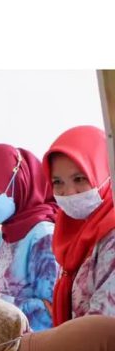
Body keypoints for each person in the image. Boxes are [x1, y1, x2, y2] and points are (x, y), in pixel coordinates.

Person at [0, 144, 58, 331]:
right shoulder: (1, 239)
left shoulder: (43, 236)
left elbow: (52, 311)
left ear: (18, 181)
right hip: (2, 344)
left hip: (35, 346)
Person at [42, 125, 115, 323]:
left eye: (79, 179)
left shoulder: (111, 236)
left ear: (106, 173)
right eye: (58, 182)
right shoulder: (71, 234)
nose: (69, 193)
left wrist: (34, 341)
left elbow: (101, 326)